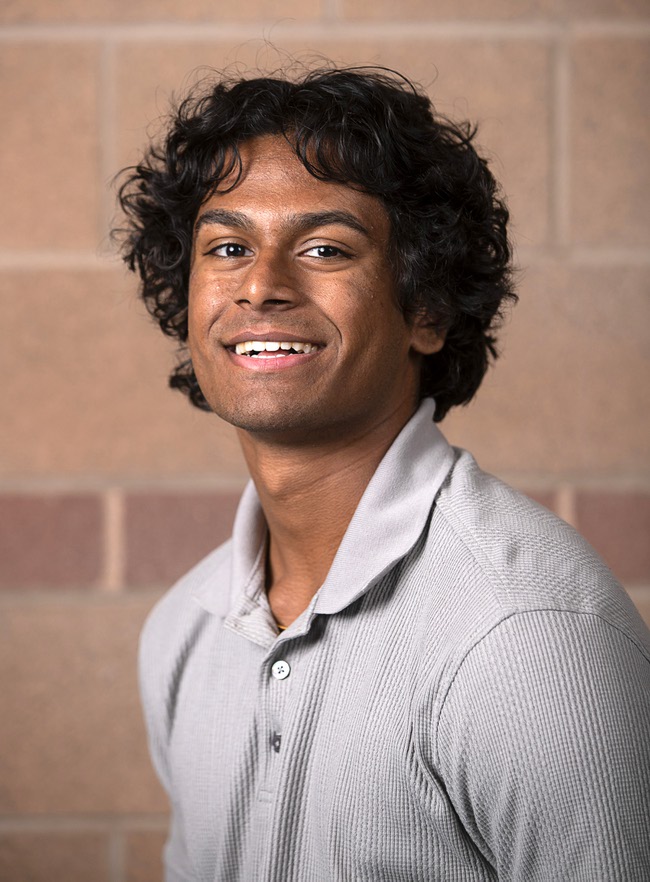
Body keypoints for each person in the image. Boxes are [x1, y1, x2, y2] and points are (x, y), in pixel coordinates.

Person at [117, 66, 650, 881]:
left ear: (427, 311)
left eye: (326, 248)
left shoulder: (527, 637)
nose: (260, 285)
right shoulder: (183, 631)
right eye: (227, 247)